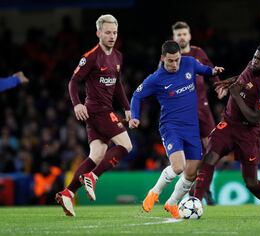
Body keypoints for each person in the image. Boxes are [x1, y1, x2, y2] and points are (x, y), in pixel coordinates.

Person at [129, 40, 224, 218]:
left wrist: (213, 71)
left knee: (192, 172)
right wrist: (134, 116)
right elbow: (136, 95)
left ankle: (172, 203)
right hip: (170, 127)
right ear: (162, 58)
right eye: (170, 60)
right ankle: (154, 192)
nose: (174, 64)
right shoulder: (156, 79)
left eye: (177, 60)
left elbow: (204, 70)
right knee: (178, 166)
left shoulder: (189, 63)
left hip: (191, 127)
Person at [55, 14, 133, 217]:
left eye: (114, 32)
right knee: (126, 145)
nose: (112, 36)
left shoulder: (117, 56)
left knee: (97, 155)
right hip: (98, 110)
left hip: (103, 111)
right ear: (98, 33)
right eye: (107, 32)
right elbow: (73, 82)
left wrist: (126, 107)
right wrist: (77, 104)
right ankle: (93, 177)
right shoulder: (91, 56)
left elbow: (118, 86)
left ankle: (68, 192)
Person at [194, 43, 260, 216]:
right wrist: (230, 82)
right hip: (228, 123)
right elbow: (243, 80)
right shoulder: (251, 65)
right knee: (209, 157)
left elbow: (255, 117)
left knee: (251, 182)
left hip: (248, 132)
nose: (254, 61)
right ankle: (195, 201)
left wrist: (235, 95)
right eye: (255, 56)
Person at [172, 21, 224, 205]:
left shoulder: (198, 53)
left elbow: (211, 72)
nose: (182, 37)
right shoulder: (169, 57)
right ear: (174, 37)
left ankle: (204, 188)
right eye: (178, 34)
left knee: (211, 150)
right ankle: (190, 190)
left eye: (184, 34)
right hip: (181, 113)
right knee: (189, 156)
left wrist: (218, 87)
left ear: (190, 36)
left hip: (202, 109)